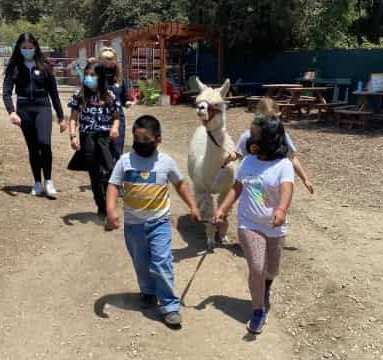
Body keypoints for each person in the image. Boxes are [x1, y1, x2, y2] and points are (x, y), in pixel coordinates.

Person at [105, 115, 201, 327]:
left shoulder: (165, 162)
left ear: (158, 139)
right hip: (134, 226)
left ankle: (169, 305)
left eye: (146, 140)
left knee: (161, 261)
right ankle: (148, 292)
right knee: (141, 263)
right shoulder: (125, 161)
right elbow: (113, 186)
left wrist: (192, 206)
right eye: (137, 139)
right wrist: (111, 210)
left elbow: (180, 184)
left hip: (160, 223)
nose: (140, 144)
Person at [215, 114, 294, 334]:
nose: (249, 140)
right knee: (257, 268)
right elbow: (238, 187)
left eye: (255, 135)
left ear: (270, 138)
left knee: (272, 270)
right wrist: (222, 209)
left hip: (275, 227)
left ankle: (265, 286)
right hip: (248, 223)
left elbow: (287, 189)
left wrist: (281, 209)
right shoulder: (248, 161)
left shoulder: (283, 165)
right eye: (250, 134)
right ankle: (258, 310)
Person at [2, 33, 66, 197]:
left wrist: (61, 116)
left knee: (44, 143)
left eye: (30, 47)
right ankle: (37, 182)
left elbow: (54, 93)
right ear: (19, 48)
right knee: (33, 147)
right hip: (24, 109)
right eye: (24, 48)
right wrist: (12, 112)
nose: (27, 50)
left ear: (36, 47)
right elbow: (6, 93)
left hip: (42, 107)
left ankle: (49, 181)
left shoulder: (45, 66)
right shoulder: (14, 67)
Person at [224, 98, 314, 194]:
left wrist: (305, 179)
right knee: (259, 204)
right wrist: (228, 158)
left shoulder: (281, 136)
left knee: (274, 204)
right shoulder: (248, 136)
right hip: (254, 181)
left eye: (272, 119)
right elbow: (238, 154)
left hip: (274, 180)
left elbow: (292, 157)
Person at [68, 60, 120, 218]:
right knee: (94, 172)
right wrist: (73, 136)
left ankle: (110, 200)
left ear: (100, 77)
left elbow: (116, 117)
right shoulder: (79, 95)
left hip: (103, 138)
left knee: (110, 170)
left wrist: (115, 128)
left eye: (92, 75)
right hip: (87, 137)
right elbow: (73, 119)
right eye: (87, 75)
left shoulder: (109, 95)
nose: (89, 78)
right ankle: (101, 205)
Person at [96, 47, 135, 161]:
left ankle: (115, 176)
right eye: (105, 60)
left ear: (115, 61)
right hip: (100, 117)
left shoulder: (120, 79)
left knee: (117, 150)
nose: (108, 63)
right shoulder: (96, 77)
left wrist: (127, 102)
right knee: (103, 151)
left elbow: (124, 97)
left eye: (110, 60)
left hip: (118, 118)